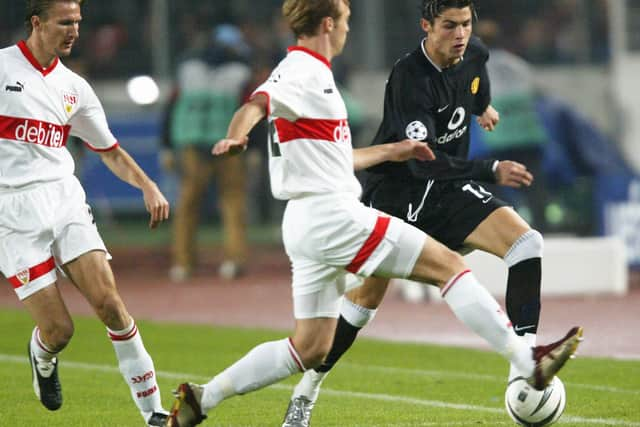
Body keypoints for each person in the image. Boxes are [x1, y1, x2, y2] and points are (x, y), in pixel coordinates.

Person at [166, 1, 582, 426]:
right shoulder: (302, 70)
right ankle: (527, 361)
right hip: (336, 214)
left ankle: (205, 396)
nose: (350, 30)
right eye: (346, 20)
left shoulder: (319, 75)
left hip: (307, 221)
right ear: (329, 24)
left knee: (309, 346)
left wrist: (394, 149)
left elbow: (335, 155)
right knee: (448, 266)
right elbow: (257, 104)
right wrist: (236, 136)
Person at [281, 1, 567, 425]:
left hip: (449, 190)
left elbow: (476, 81)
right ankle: (307, 390)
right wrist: (490, 169)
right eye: (449, 25)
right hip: (399, 191)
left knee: (527, 244)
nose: (460, 34)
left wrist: (481, 106)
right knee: (363, 303)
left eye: (466, 24)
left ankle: (523, 366)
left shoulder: (474, 53)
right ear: (426, 27)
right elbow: (422, 161)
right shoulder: (409, 77)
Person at [0, 1, 169, 425]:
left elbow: (109, 150)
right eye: (65, 22)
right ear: (37, 23)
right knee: (60, 331)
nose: (75, 30)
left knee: (111, 303)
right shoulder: (2, 69)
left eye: (78, 21)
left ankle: (153, 414)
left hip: (63, 198)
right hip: (11, 212)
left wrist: (147, 185)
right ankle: (42, 355)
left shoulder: (75, 87)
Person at [163, 24, 251, 281]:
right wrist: (254, 149)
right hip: (229, 144)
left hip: (191, 142)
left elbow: (170, 109)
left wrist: (167, 146)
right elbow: (250, 111)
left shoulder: (188, 70)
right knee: (232, 201)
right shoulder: (240, 72)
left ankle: (182, 263)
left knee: (188, 204)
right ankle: (233, 261)